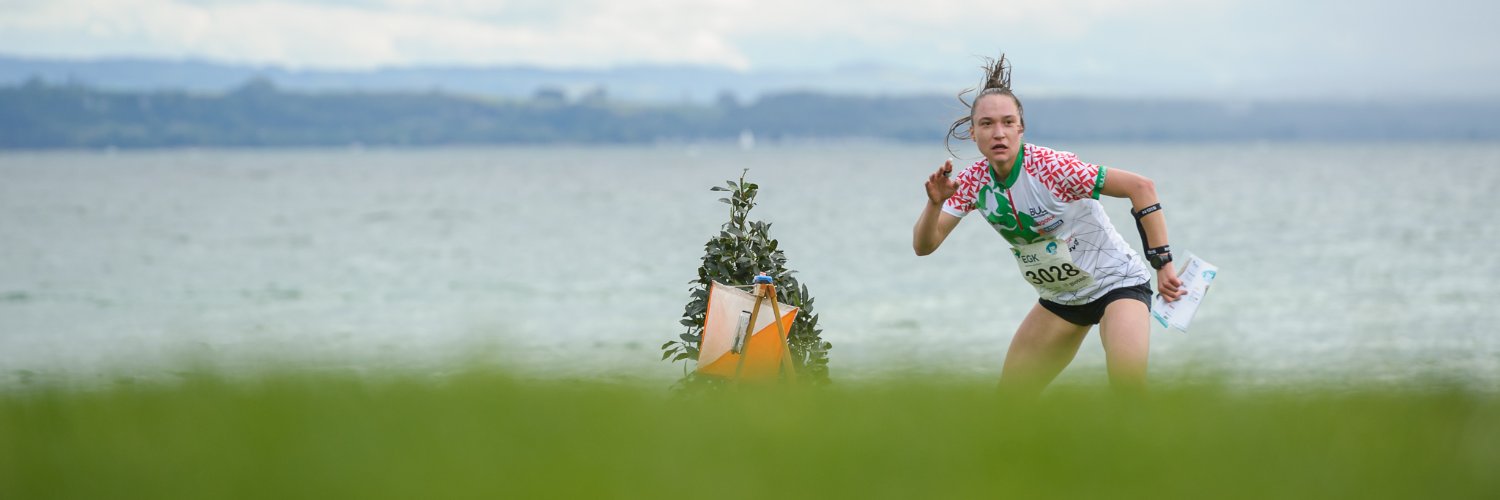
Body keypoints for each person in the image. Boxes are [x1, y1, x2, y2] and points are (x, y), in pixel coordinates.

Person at [912, 54, 1185, 397]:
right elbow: (925, 246)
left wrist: (1164, 265)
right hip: (1060, 298)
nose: (998, 133)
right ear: (973, 132)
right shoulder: (971, 182)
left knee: (1128, 391)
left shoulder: (1052, 167)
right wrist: (934, 204)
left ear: (1020, 128)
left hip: (1118, 285)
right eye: (987, 124)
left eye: (1008, 122)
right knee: (1007, 403)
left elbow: (1141, 188)